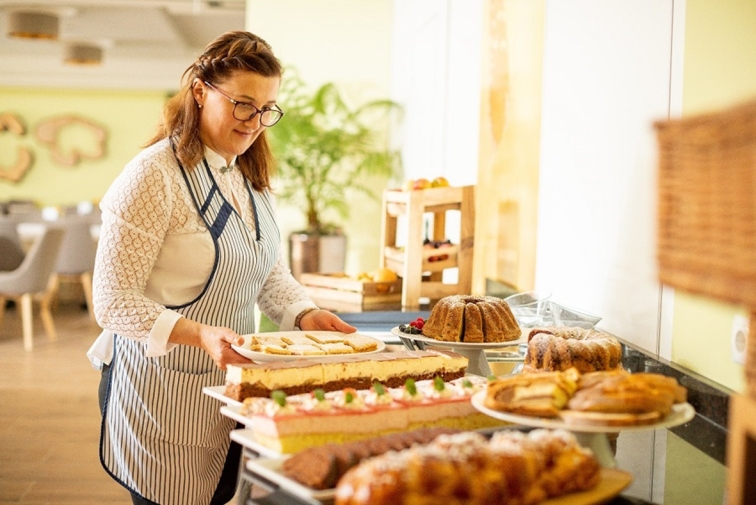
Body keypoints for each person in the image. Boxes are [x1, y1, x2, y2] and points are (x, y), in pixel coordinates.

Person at [87, 31, 356, 505]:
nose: (256, 122)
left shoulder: (250, 178)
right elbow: (111, 302)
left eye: (266, 108)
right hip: (160, 392)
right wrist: (202, 334)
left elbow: (265, 270)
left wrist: (304, 314)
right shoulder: (153, 175)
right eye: (243, 104)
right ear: (199, 91)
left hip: (228, 388)